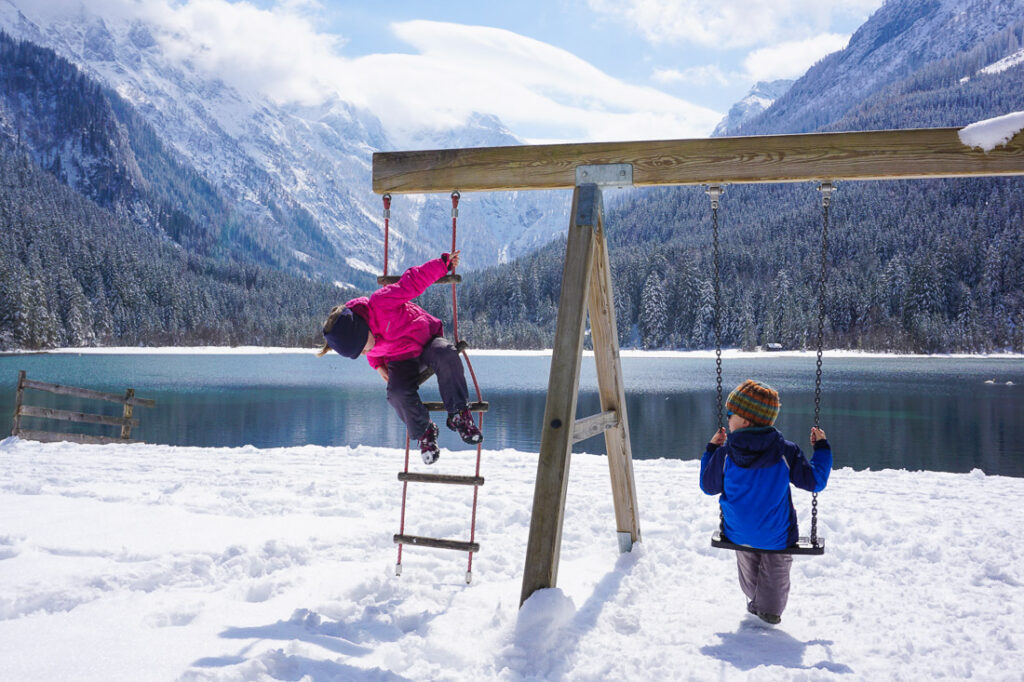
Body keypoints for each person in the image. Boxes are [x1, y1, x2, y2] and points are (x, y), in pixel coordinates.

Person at [317, 250, 482, 464]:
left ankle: (459, 414)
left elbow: (412, 281)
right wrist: (377, 365)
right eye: (362, 354)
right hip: (400, 359)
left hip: (426, 341)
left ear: (362, 329)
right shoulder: (366, 344)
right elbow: (372, 354)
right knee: (396, 393)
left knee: (447, 355)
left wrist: (443, 265)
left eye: (364, 349)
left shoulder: (381, 303)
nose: (367, 353)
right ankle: (425, 432)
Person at [699, 379, 832, 625]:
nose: (727, 419)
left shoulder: (725, 453)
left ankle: (755, 598)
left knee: (747, 550)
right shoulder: (786, 451)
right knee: (776, 558)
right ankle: (769, 609)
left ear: (745, 422)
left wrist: (710, 450)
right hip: (777, 535)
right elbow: (815, 482)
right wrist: (821, 448)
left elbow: (708, 487)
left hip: (736, 532)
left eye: (730, 414)